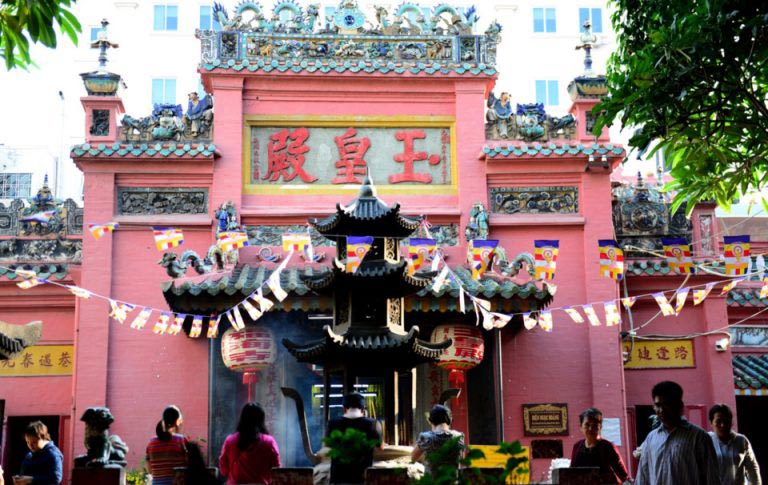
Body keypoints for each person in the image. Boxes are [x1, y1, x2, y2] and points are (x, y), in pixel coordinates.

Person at [635, 381, 720, 485]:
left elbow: (711, 478)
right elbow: (643, 477)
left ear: (680, 405)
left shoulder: (698, 437)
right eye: (657, 405)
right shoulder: (651, 438)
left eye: (667, 404)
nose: (661, 410)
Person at [326, 392, 383, 485]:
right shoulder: (373, 424)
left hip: (339, 479)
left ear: (344, 409)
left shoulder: (332, 424)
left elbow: (326, 448)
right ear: (363, 409)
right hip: (363, 479)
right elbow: (380, 448)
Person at [219, 402, 281, 485]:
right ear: (261, 420)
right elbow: (277, 471)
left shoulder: (230, 441)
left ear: (242, 418)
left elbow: (224, 471)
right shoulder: (269, 442)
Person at [570, 408, 630, 485]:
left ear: (600, 427)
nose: (590, 428)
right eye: (587, 424)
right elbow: (572, 472)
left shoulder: (607, 447)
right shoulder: (577, 447)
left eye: (595, 425)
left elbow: (622, 474)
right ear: (581, 427)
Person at [708, 403, 762, 485]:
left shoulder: (741, 441)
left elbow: (752, 469)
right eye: (718, 421)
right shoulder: (706, 440)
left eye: (726, 421)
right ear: (711, 423)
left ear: (731, 422)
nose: (723, 425)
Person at [411, 404, 465, 477]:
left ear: (432, 421)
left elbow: (412, 458)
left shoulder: (426, 438)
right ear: (449, 420)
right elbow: (461, 462)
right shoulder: (459, 437)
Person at [146, 405, 188, 485]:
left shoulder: (151, 443)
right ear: (177, 422)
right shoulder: (182, 440)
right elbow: (189, 464)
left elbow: (150, 470)